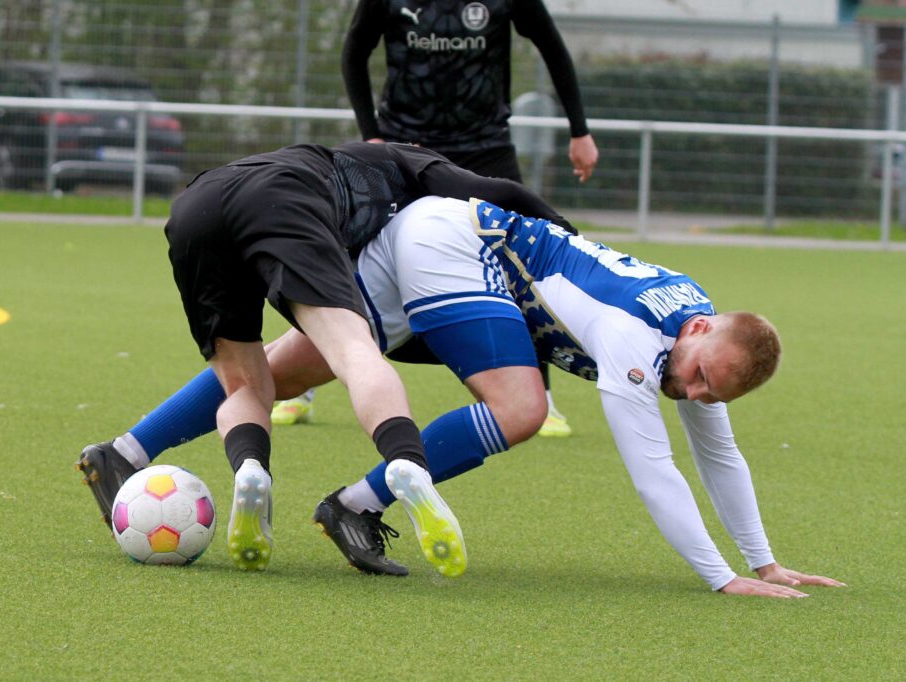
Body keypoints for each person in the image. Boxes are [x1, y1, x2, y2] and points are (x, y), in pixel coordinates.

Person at [82, 195, 846, 598]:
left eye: (712, 391)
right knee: (523, 408)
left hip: (433, 233)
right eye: (701, 376)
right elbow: (655, 470)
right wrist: (721, 575)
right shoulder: (637, 341)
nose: (695, 391)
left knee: (288, 369)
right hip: (458, 249)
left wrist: (764, 561)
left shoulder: (695, 329)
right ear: (700, 330)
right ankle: (355, 504)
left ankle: (122, 453)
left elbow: (719, 453)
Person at [77, 140, 573, 577]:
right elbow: (498, 191)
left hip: (196, 205)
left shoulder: (343, 158)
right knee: (354, 350)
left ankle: (238, 467)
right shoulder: (417, 164)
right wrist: (572, 245)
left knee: (245, 383)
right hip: (285, 200)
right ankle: (405, 462)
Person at [271, 0, 600, 436]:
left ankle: (542, 395)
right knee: (353, 259)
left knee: (521, 268)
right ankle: (301, 387)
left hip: (486, 147)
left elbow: (552, 47)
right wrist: (371, 132)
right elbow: (354, 51)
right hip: (404, 149)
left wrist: (579, 130)